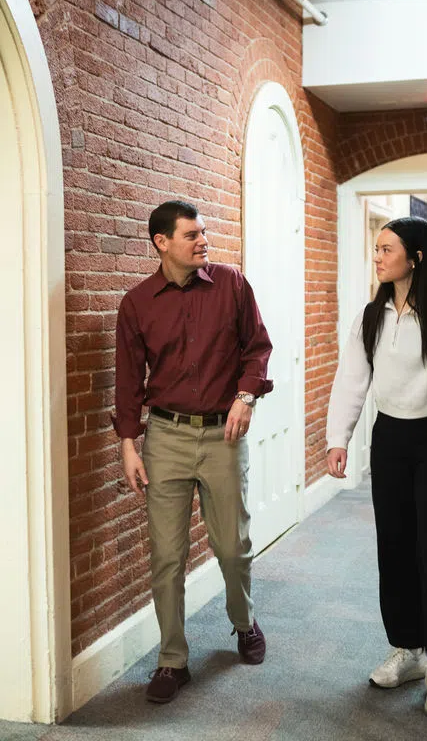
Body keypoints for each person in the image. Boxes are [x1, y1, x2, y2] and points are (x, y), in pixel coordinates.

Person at [326, 216, 427, 717]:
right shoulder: (371, 316)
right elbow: (351, 379)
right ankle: (409, 649)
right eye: (375, 248)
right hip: (390, 439)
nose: (377, 256)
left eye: (386, 248)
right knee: (394, 545)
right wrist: (339, 439)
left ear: (415, 256)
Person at [114, 200, 273, 704]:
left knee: (231, 546)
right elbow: (127, 381)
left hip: (223, 436)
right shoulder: (137, 303)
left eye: (204, 233)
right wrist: (128, 445)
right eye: (192, 235)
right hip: (166, 438)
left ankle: (243, 620)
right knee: (166, 555)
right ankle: (171, 660)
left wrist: (246, 396)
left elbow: (258, 347)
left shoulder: (231, 284)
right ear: (162, 242)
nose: (203, 241)